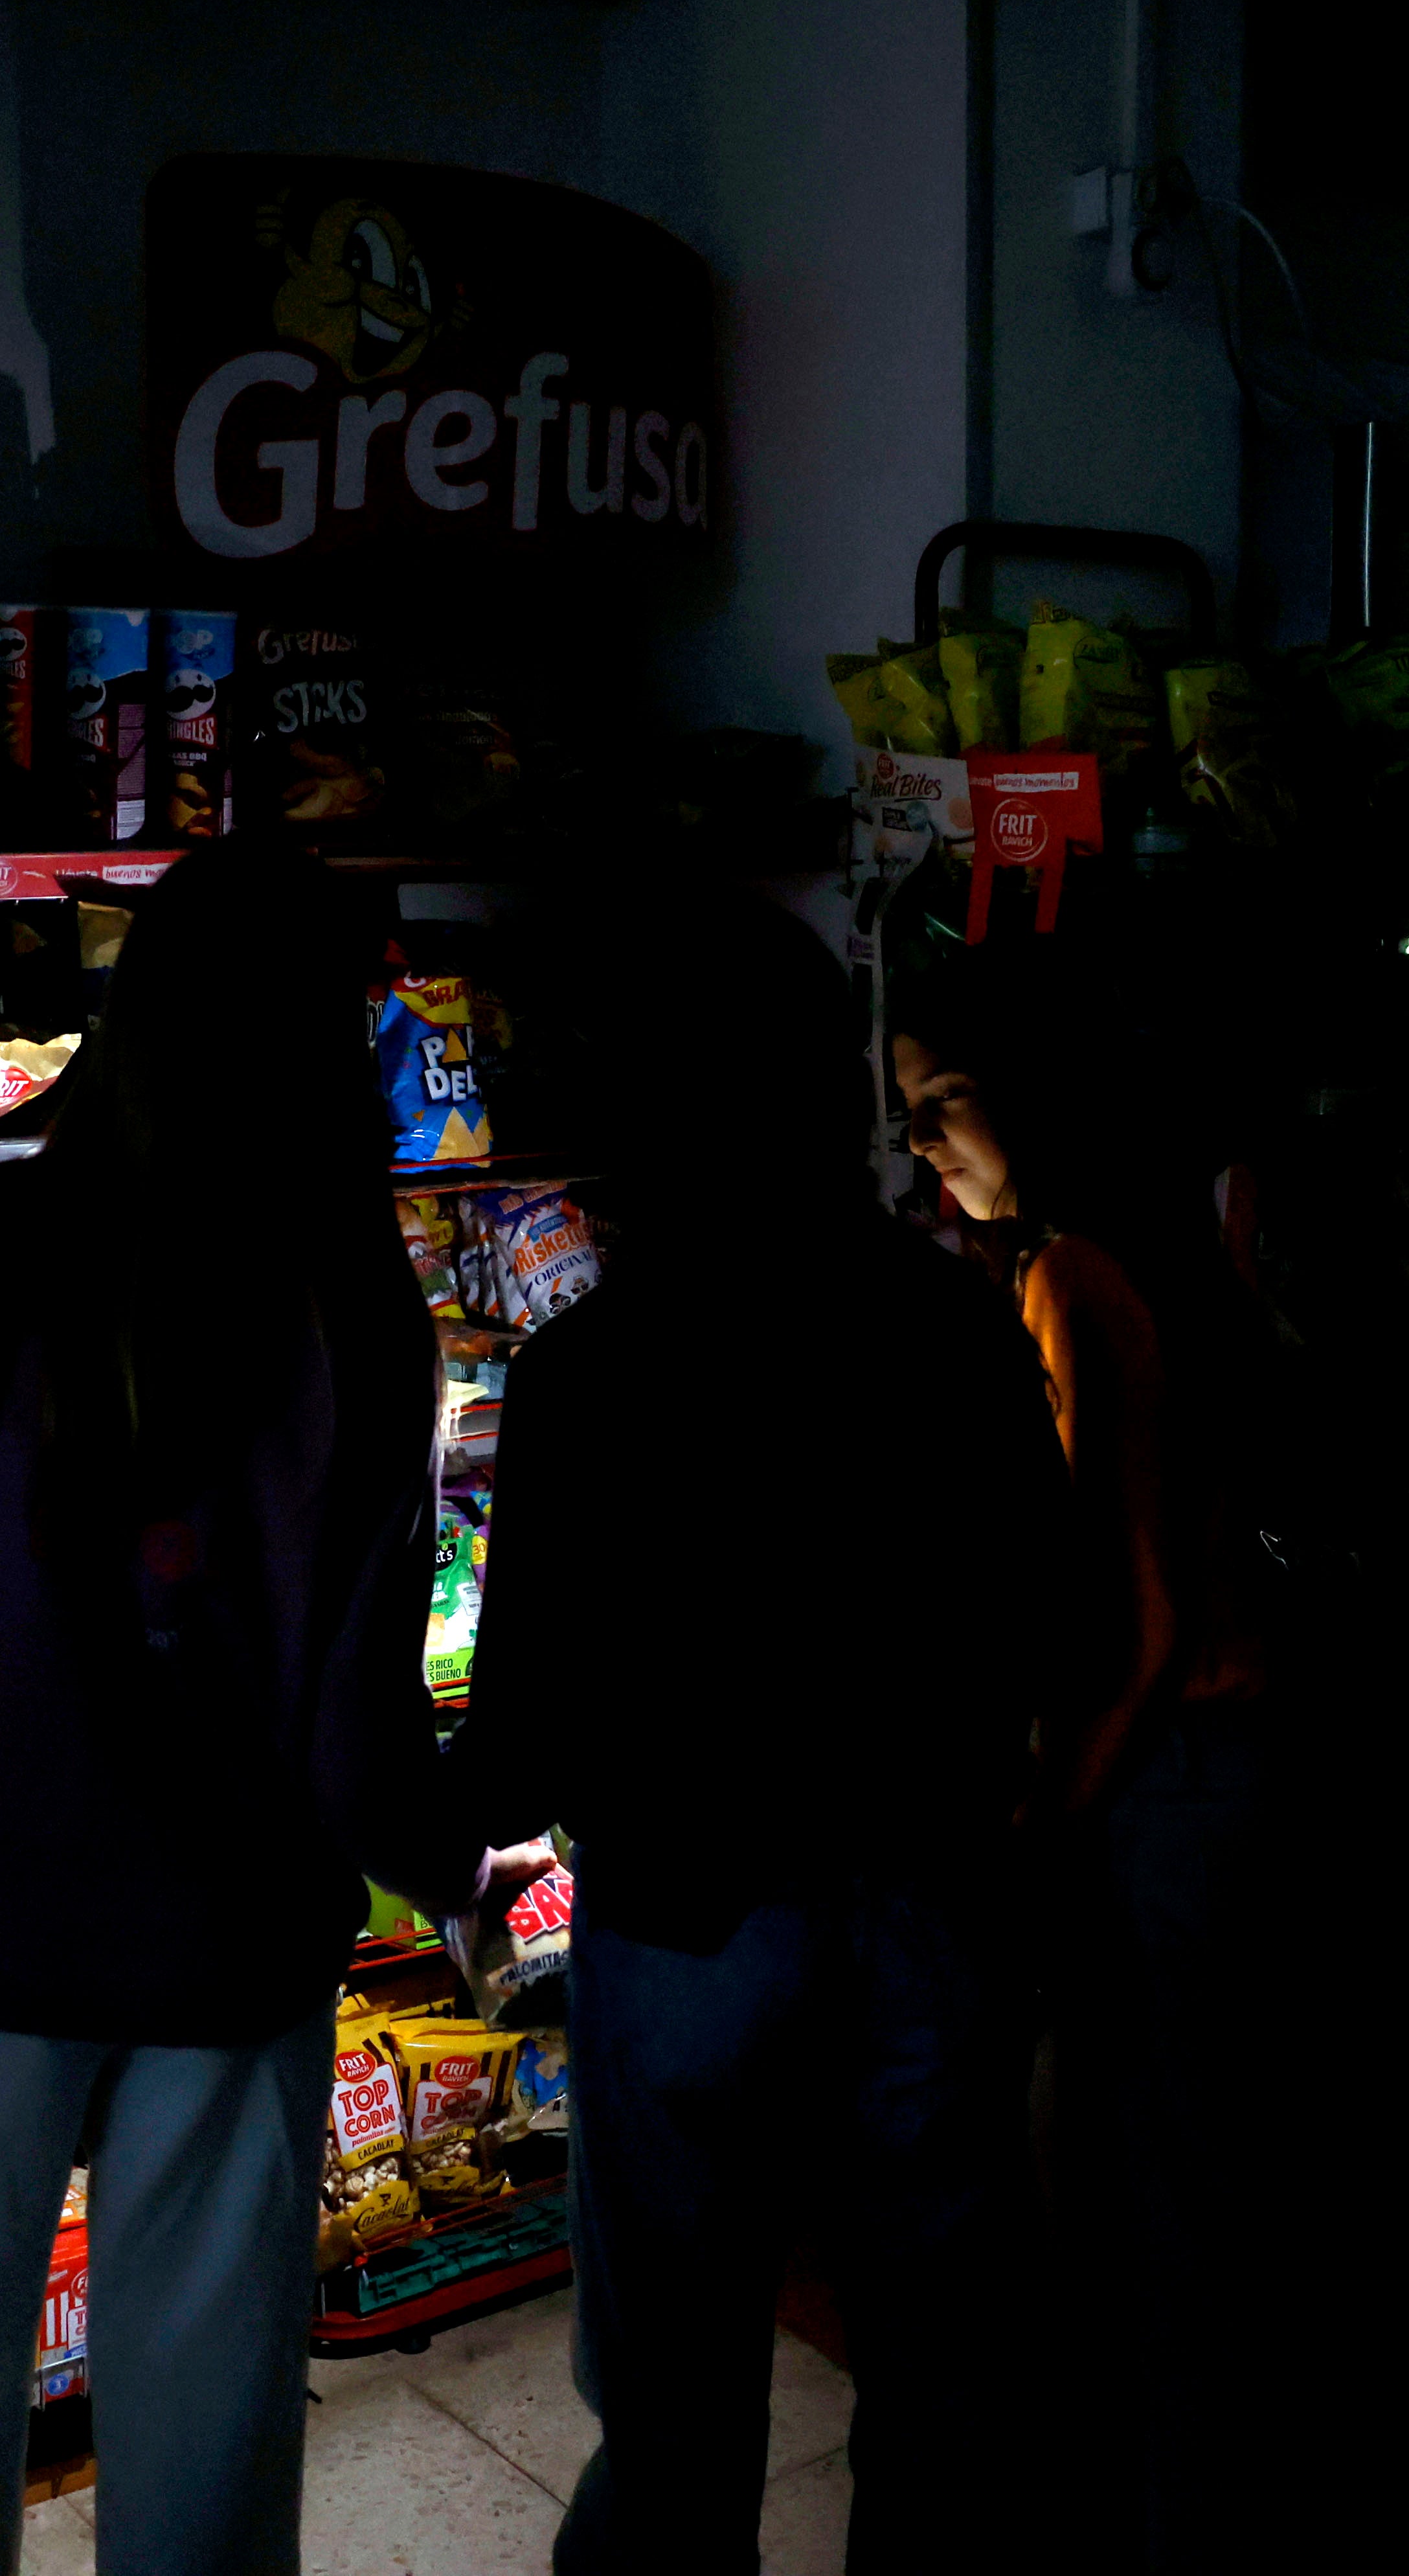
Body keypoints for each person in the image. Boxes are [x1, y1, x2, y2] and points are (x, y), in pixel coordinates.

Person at [0, 841, 516, 2575]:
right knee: (210, 2410)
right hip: (228, 1961)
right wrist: (456, 1853)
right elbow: (353, 1710)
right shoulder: (358, 1307)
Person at [452, 888, 1083, 2576]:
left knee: (673, 2403)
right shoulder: (950, 1318)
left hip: (683, 1925)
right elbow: (1058, 1613)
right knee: (942, 2382)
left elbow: (516, 1739)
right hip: (929, 1910)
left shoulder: (593, 1368)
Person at [886, 970, 1279, 2571]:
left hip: (1170, 1769)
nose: (927, 1152)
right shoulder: (1140, 1253)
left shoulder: (1079, 1277)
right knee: (1179, 2185)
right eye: (907, 1120)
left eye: (946, 1104)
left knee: (1160, 2201)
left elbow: (1125, 1605)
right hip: (1203, 1758)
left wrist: (1047, 1815)